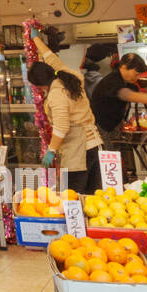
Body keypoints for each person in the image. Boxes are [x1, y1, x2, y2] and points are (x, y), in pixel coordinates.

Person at [28, 32, 102, 193]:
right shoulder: (69, 77)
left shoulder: (56, 94)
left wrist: (51, 151)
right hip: (94, 144)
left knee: (73, 196)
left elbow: (62, 127)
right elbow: (51, 59)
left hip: (78, 150)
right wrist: (36, 40)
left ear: (40, 85)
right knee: (92, 195)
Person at [89, 53, 147, 149]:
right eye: (136, 74)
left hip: (113, 125)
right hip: (102, 128)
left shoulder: (126, 80)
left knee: (117, 153)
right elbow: (130, 95)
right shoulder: (112, 81)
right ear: (124, 67)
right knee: (110, 157)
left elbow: (138, 92)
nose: (138, 77)